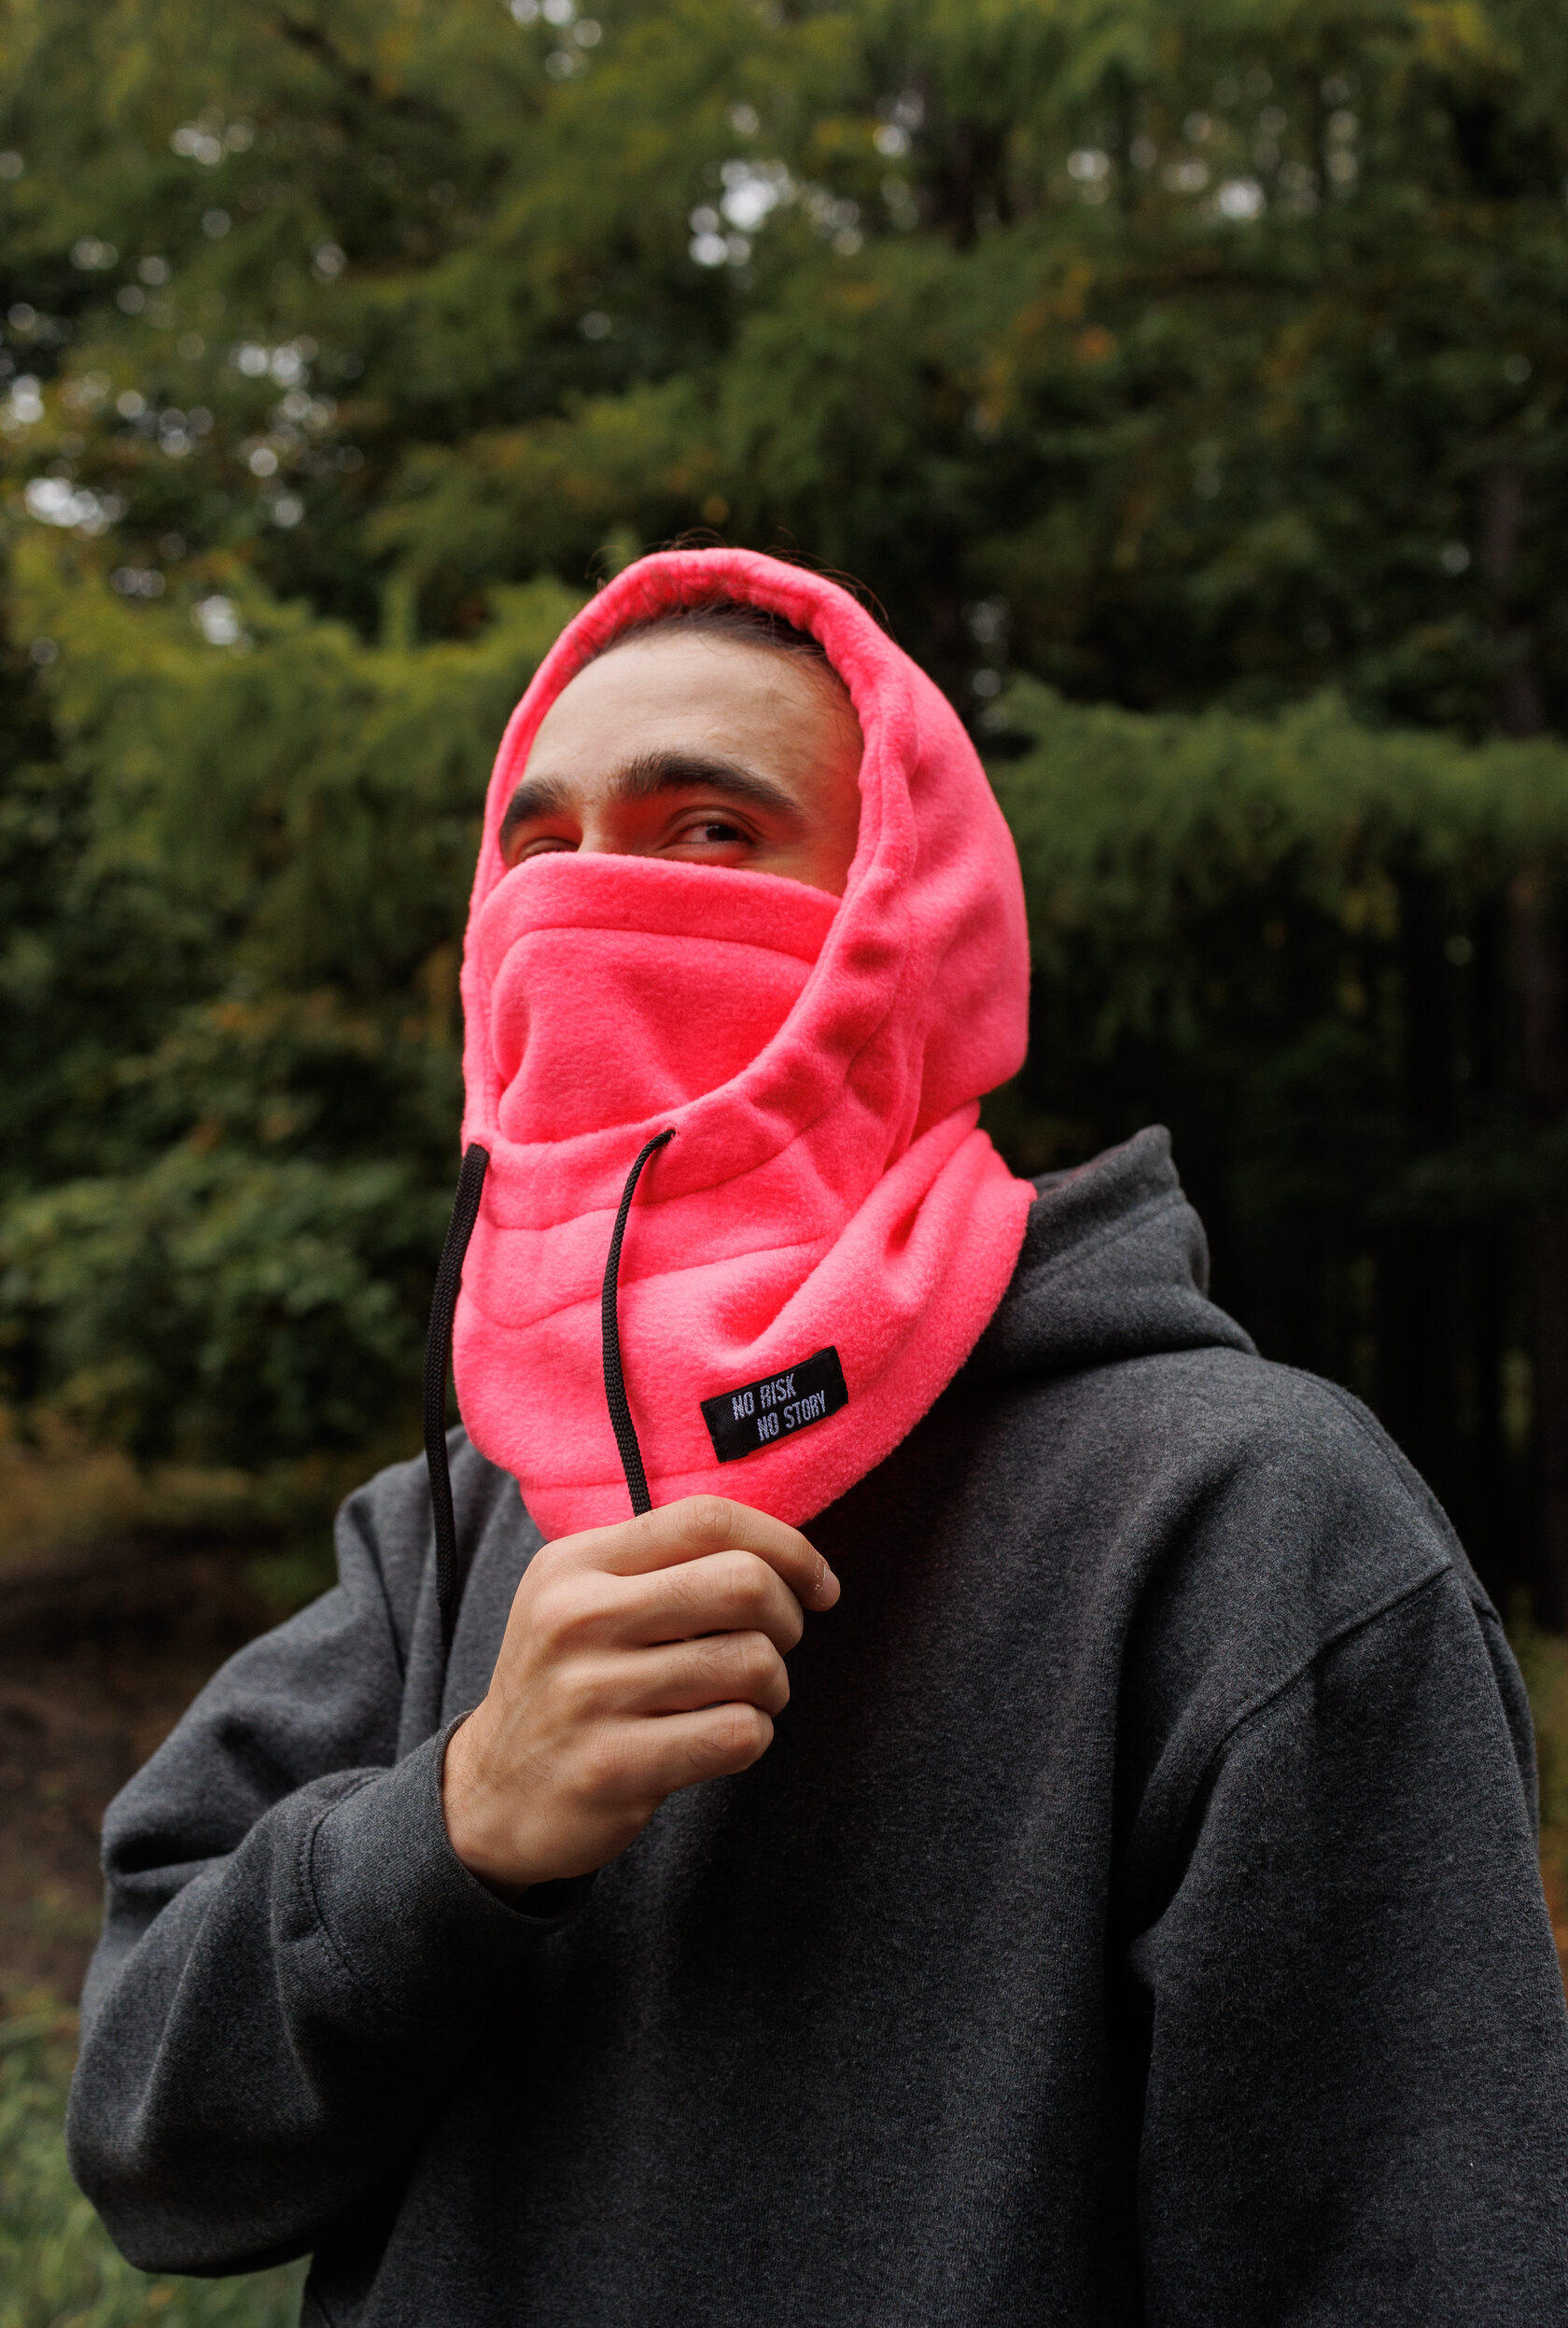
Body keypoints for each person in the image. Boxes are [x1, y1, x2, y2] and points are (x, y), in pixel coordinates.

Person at [68, 550, 1568, 2325]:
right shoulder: (451, 1526)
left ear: (908, 920)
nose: (590, 901)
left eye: (707, 830)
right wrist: (456, 1831)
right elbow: (148, 2154)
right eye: (540, 851)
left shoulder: (1247, 1524)